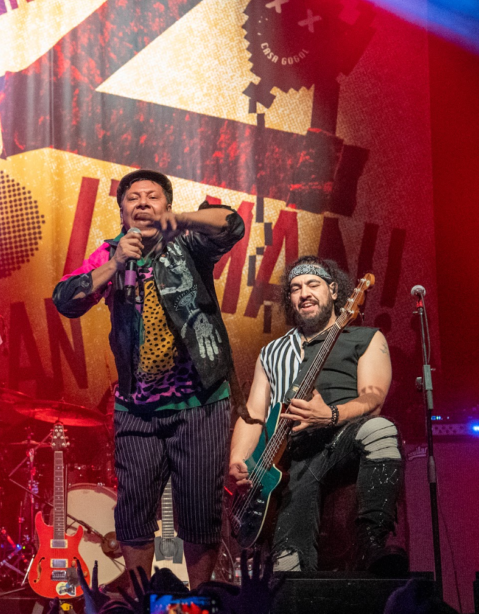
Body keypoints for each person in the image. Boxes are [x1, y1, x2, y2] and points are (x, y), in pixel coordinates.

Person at [53, 170, 245, 589]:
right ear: (121, 210)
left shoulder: (189, 245)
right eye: (133, 198)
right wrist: (116, 263)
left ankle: (192, 604)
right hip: (136, 408)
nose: (142, 203)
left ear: (167, 206)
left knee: (198, 514)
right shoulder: (110, 252)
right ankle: (143, 600)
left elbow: (233, 223)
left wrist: (187, 220)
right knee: (134, 513)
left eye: (152, 197)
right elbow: (65, 300)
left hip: (200, 402)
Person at [228, 256, 406, 574]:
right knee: (287, 567)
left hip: (342, 440)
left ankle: (372, 541)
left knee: (380, 429)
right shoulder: (272, 353)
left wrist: (331, 414)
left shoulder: (365, 339)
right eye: (295, 288)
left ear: (335, 291)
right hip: (294, 457)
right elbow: (254, 412)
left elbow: (373, 397)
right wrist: (239, 460)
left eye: (313, 284)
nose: (304, 293)